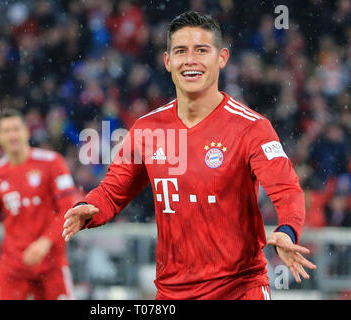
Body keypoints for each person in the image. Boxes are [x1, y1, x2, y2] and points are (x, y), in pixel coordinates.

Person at [62, 11, 316, 300]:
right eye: (181, 51)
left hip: (239, 289)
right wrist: (89, 206)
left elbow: (287, 190)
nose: (190, 60)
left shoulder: (251, 127)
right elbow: (113, 191)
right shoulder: (149, 129)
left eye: (201, 50)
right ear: (168, 61)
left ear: (221, 58)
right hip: (172, 293)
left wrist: (287, 230)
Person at [0, 109, 78, 300]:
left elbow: (68, 208)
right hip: (13, 266)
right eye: (6, 131)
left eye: (16, 129)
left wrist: (45, 241)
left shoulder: (52, 162)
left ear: (27, 132)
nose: (12, 135)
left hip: (51, 263)